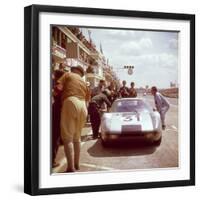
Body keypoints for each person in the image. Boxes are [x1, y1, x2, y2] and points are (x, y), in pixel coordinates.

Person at [54, 65, 90, 172]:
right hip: (83, 106)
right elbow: (88, 99)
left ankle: (70, 167)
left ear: (74, 70)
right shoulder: (84, 82)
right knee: (77, 137)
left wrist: (52, 94)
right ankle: (77, 164)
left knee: (67, 138)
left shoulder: (68, 75)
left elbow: (58, 89)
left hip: (70, 101)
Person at [52, 69, 64, 168]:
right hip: (57, 111)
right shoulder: (59, 85)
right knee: (55, 136)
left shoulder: (55, 84)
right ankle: (51, 161)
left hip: (55, 110)